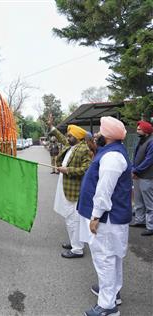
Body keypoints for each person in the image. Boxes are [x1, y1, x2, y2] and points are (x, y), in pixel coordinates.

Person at [78, 116, 132, 316]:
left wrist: (95, 216)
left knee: (105, 259)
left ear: (107, 136)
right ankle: (112, 292)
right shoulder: (111, 152)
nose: (97, 135)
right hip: (112, 218)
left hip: (107, 219)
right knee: (113, 257)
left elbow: (104, 190)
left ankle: (107, 306)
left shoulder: (111, 157)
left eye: (100, 131)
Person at [48, 116, 91, 258]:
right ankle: (74, 243)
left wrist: (68, 170)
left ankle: (77, 249)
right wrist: (52, 126)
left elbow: (86, 169)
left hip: (74, 191)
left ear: (77, 137)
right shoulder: (72, 145)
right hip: (66, 188)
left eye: (70, 136)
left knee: (74, 219)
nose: (67, 137)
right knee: (69, 218)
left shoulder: (83, 149)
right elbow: (60, 137)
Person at [130, 120, 153, 236]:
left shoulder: (151, 142)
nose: (137, 130)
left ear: (146, 131)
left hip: (147, 177)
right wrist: (134, 169)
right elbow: (135, 157)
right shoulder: (141, 141)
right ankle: (140, 220)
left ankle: (151, 226)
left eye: (139, 129)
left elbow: (149, 160)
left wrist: (136, 170)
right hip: (138, 175)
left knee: (149, 203)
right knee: (138, 200)